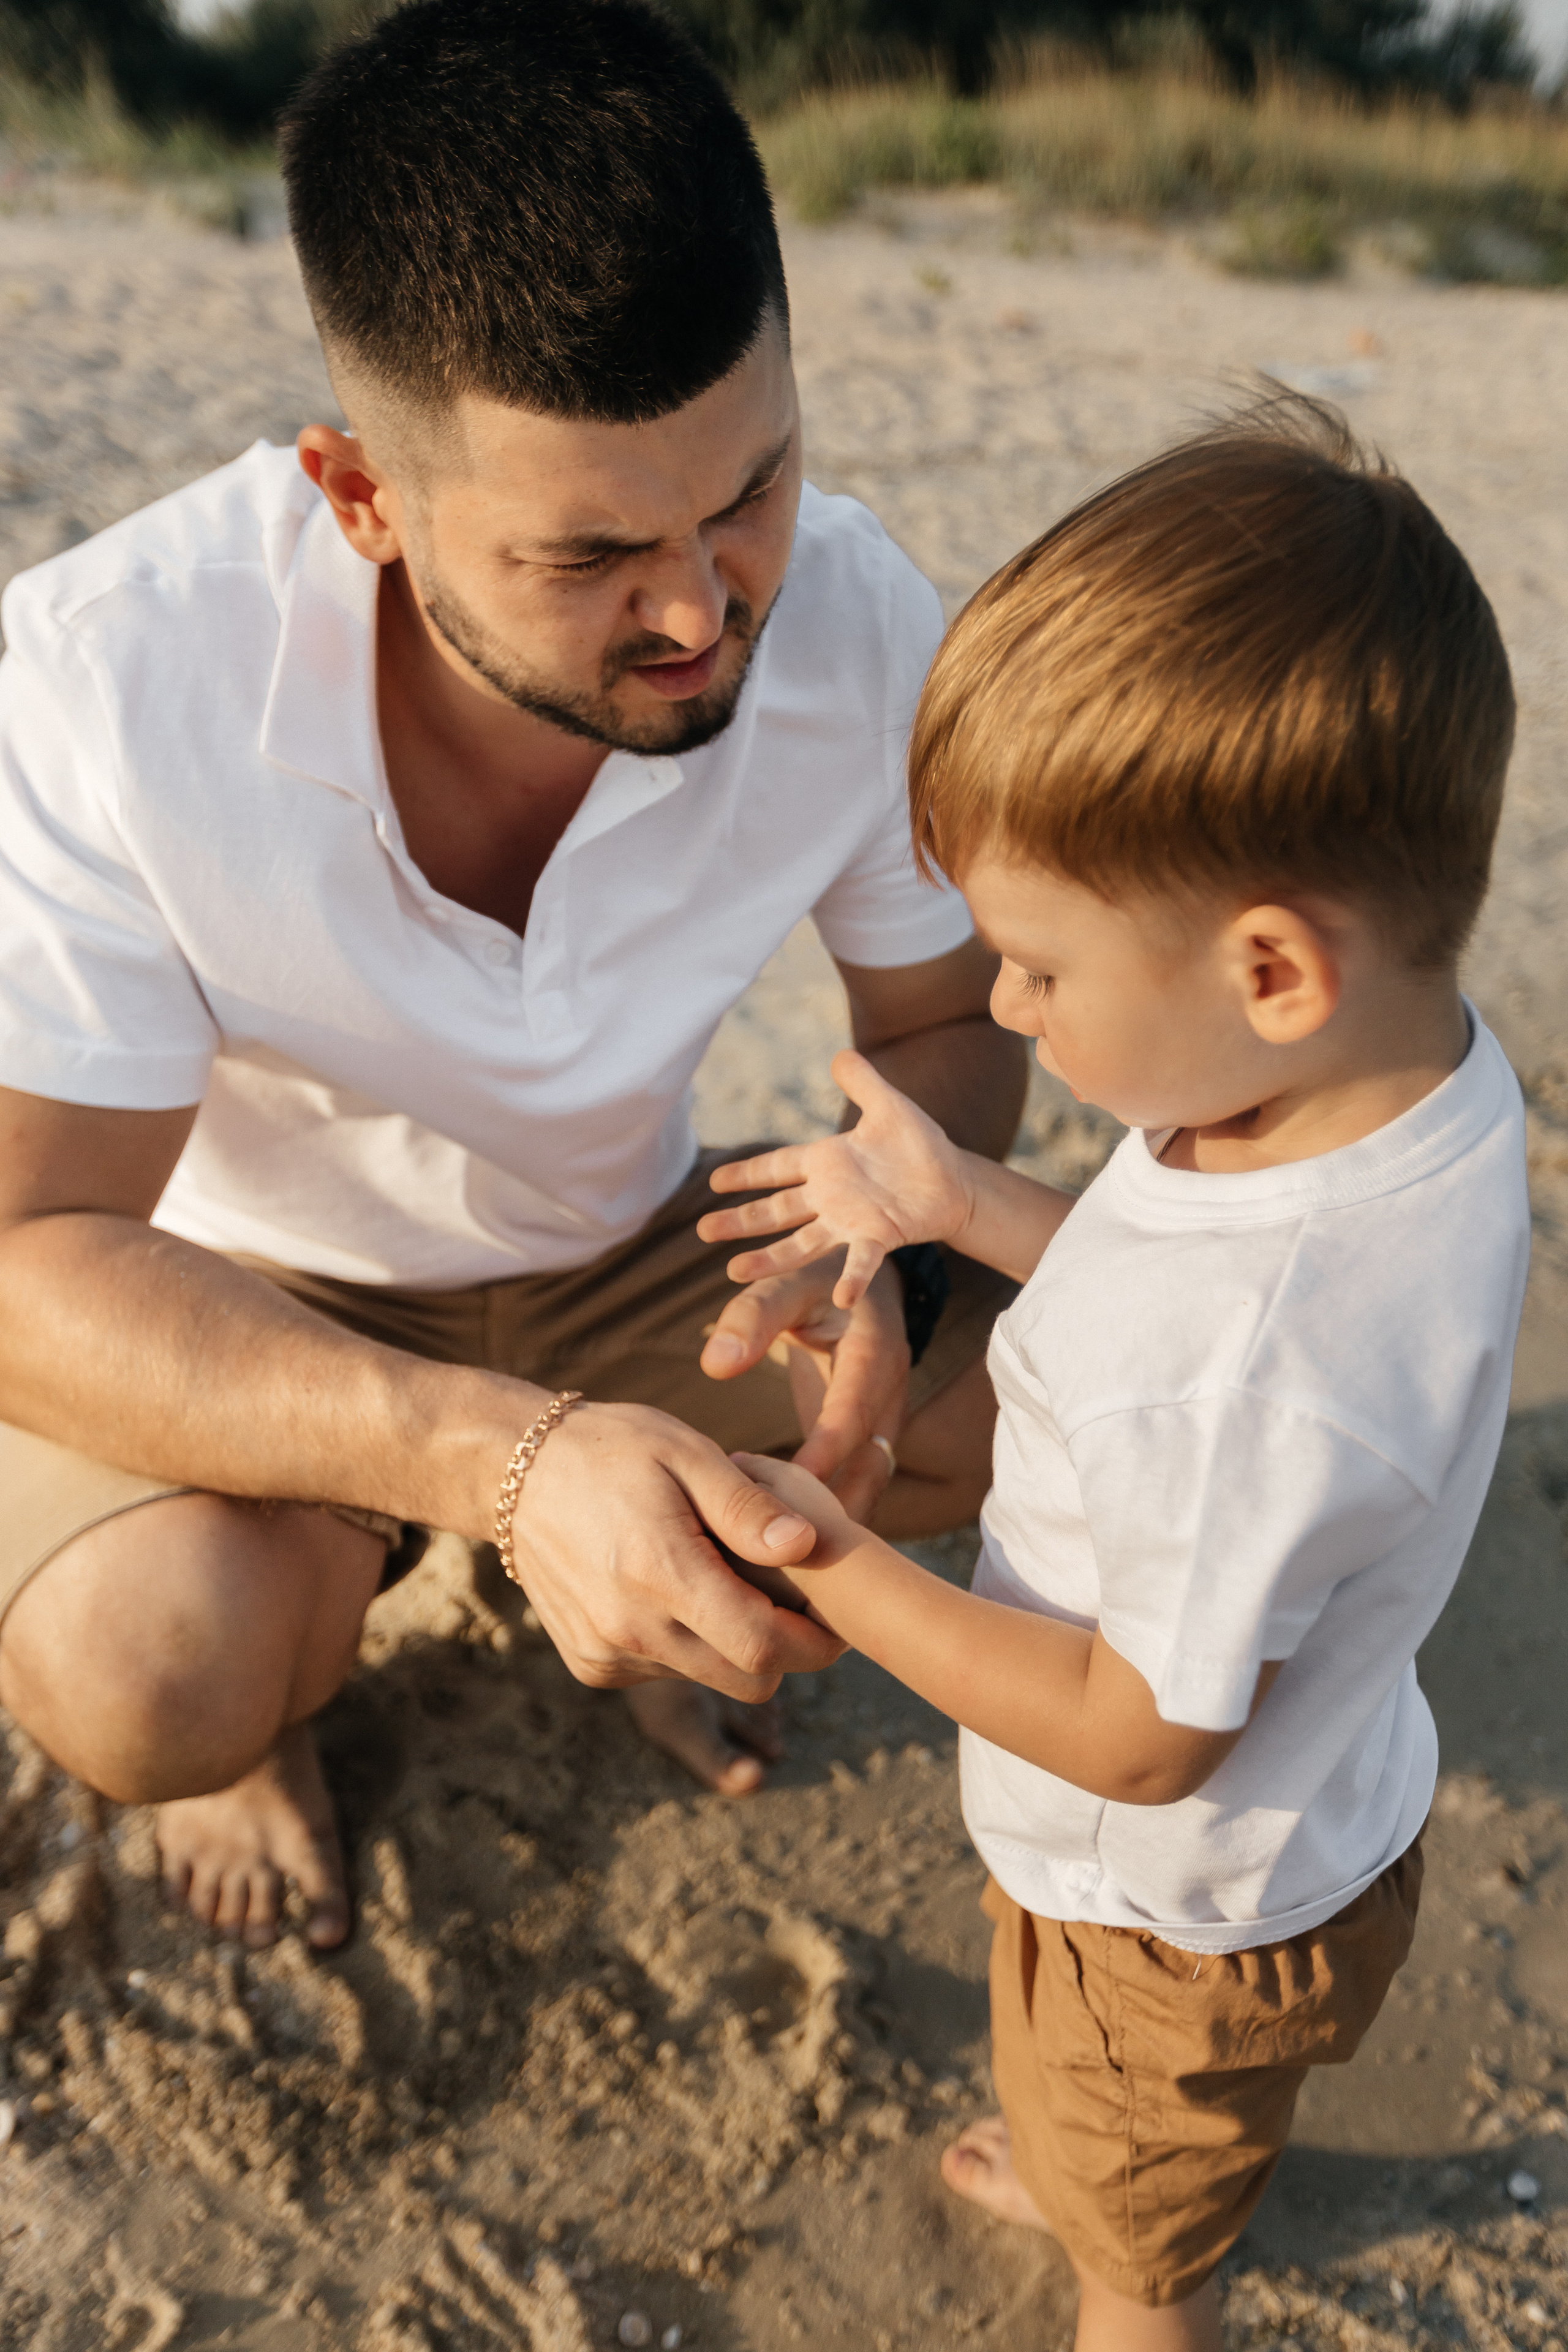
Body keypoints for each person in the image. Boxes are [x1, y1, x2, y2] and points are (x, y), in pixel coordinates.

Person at [0, 0, 1024, 1954]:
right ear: (363, 502)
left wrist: (876, 1263)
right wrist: (505, 1462)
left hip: (636, 1248)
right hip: (250, 1292)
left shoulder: (853, 615)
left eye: (751, 488)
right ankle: (322, 1674)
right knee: (154, 1673)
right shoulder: (109, 680)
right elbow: (28, 1251)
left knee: (1051, 1410)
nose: (703, 607)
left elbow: (947, 1017)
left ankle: (632, 1585)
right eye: (592, 554)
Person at [699, 397, 1528, 2351]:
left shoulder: (1242, 1369)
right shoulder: (1400, 1090)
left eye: (1044, 969)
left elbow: (1142, 1739)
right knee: (1138, 2130)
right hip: (1314, 1819)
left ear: (1272, 971)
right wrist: (970, 1202)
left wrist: (835, 1562)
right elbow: (1200, 1294)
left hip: (1166, 1914)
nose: (1002, 1004)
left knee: (1140, 2252)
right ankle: (1124, 2164)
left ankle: (1130, 2243)